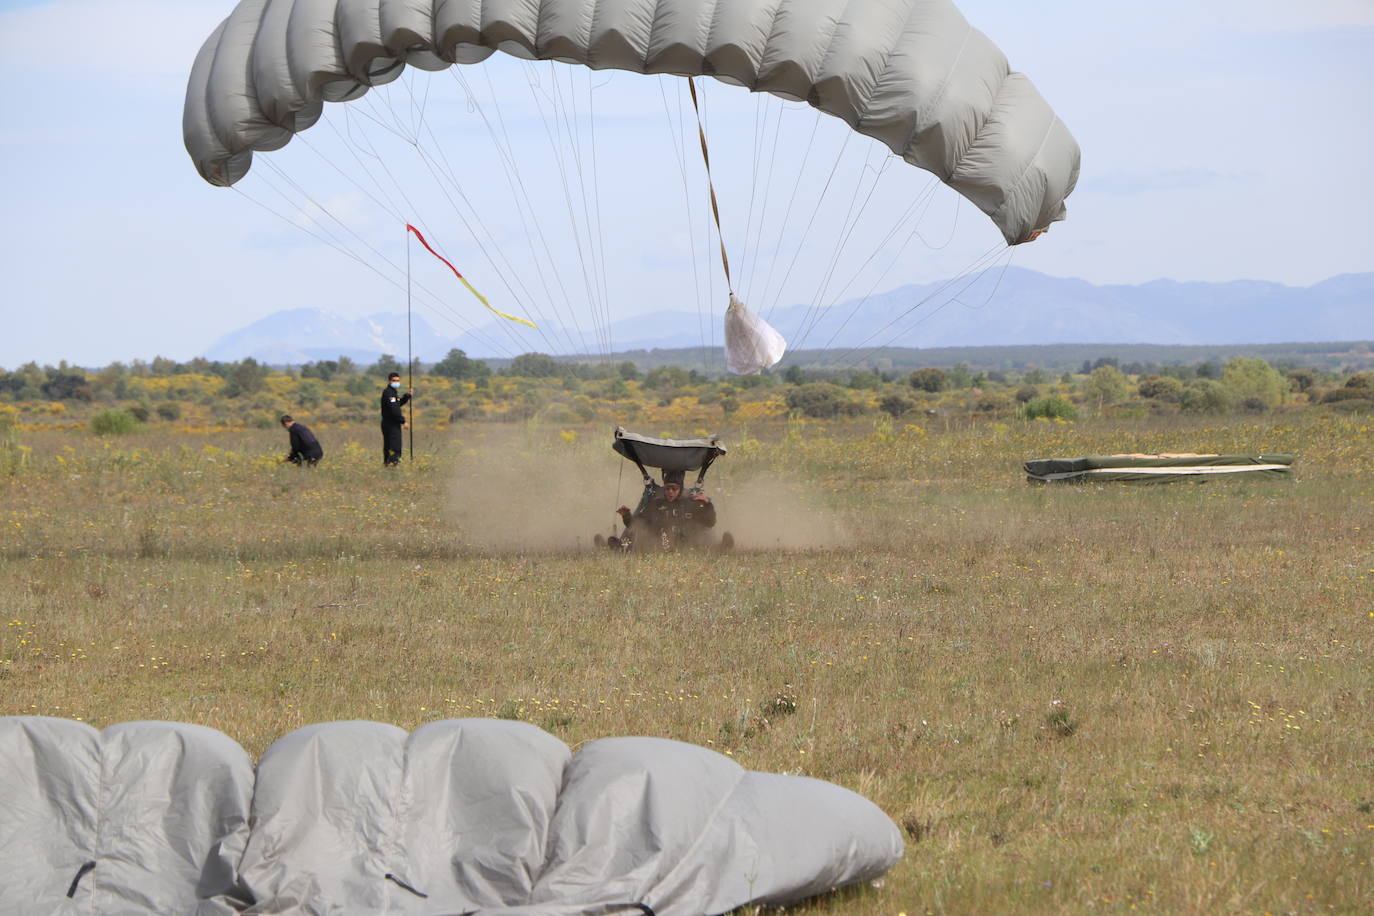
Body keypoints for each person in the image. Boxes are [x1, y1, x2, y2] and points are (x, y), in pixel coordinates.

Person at [614, 469, 723, 551]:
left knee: (704, 534)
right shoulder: (655, 505)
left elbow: (710, 522)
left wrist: (708, 505)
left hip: (687, 547)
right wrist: (626, 515)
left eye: (674, 488)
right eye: (667, 488)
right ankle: (618, 548)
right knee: (640, 537)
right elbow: (636, 525)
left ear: (680, 489)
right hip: (659, 546)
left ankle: (722, 547)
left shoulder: (690, 504)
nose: (670, 492)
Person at [380, 371, 413, 467]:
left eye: (398, 380)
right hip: (391, 424)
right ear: (389, 381)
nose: (396, 382)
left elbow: (397, 404)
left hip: (391, 424)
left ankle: (387, 466)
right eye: (394, 380)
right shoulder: (389, 393)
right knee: (394, 447)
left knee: (389, 447)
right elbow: (394, 410)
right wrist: (403, 421)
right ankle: (392, 467)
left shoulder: (393, 392)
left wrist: (407, 396)